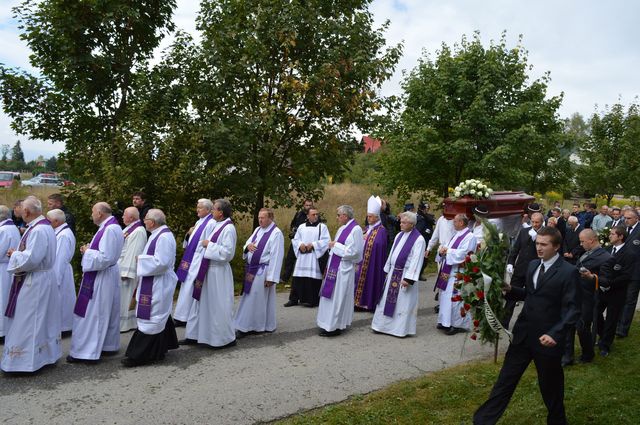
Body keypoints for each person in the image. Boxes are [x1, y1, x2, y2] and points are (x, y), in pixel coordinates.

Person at [473, 227, 580, 425]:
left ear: (556, 247)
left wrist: (555, 333)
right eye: (537, 243)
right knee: (505, 381)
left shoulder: (569, 272)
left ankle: (557, 421)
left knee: (551, 388)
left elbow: (573, 310)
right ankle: (483, 421)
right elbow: (531, 294)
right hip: (522, 336)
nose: (538, 248)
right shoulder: (532, 265)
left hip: (547, 341)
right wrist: (510, 290)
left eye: (543, 244)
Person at [2, 197, 61, 372]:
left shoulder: (38, 230)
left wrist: (14, 255)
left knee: (29, 320)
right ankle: (45, 356)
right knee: (40, 319)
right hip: (40, 278)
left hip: (35, 280)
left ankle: (25, 362)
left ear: (27, 211)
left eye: (21, 209)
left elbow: (32, 259)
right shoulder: (43, 227)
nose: (19, 212)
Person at [121, 209, 179, 367]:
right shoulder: (157, 234)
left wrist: (141, 259)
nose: (143, 221)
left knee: (152, 316)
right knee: (158, 314)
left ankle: (139, 355)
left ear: (152, 222)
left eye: (145, 219)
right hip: (152, 280)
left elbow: (162, 262)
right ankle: (159, 349)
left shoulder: (164, 237)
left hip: (158, 282)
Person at [68, 202, 124, 363]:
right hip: (105, 274)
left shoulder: (110, 229)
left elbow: (105, 258)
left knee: (94, 313)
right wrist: (91, 251)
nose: (91, 215)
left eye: (93, 212)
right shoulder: (110, 227)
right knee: (103, 310)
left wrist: (87, 252)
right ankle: (106, 346)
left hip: (102, 275)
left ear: (100, 213)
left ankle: (87, 352)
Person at [183, 199, 237, 349]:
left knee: (218, 305)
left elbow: (227, 253)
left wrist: (209, 245)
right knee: (201, 304)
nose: (212, 211)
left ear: (221, 212)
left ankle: (223, 338)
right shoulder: (216, 225)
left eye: (214, 209)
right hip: (207, 270)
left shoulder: (228, 229)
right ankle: (198, 336)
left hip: (218, 272)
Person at [371, 211, 425, 337]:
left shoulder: (419, 239)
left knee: (402, 303)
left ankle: (399, 330)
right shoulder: (399, 235)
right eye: (401, 221)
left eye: (404, 222)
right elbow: (392, 253)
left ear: (412, 224)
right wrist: (387, 269)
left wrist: (409, 279)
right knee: (385, 301)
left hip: (405, 275)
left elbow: (417, 260)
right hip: (393, 273)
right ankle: (382, 326)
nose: (400, 224)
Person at [561, 229, 610, 366]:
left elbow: (606, 281)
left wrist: (592, 277)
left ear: (592, 240)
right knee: (569, 324)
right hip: (574, 293)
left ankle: (588, 354)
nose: (581, 244)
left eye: (582, 241)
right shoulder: (586, 252)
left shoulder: (605, 257)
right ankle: (567, 356)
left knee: (582, 327)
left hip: (588, 298)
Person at [234, 208, 284, 337]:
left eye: (263, 217)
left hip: (263, 271)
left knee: (255, 298)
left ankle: (246, 327)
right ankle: (260, 324)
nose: (260, 220)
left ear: (270, 218)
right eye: (259, 217)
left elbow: (277, 256)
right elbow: (247, 244)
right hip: (253, 269)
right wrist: (247, 247)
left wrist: (271, 277)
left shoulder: (276, 233)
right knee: (252, 297)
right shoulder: (258, 230)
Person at [316, 205, 364, 336]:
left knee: (338, 298)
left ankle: (334, 326)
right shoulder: (343, 228)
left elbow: (356, 252)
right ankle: (325, 322)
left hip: (344, 269)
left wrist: (335, 245)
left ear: (345, 216)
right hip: (334, 267)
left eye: (338, 215)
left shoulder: (356, 229)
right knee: (329, 297)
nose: (337, 218)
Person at [173, 199, 215, 326]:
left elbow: (207, 243)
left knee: (191, 286)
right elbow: (190, 241)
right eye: (197, 207)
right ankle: (181, 315)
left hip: (199, 259)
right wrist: (188, 234)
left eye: (200, 208)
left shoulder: (211, 223)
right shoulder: (199, 222)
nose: (197, 210)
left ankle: (186, 317)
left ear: (208, 210)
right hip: (191, 257)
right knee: (186, 285)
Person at [434, 213, 477, 335]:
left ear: (461, 223)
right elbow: (448, 248)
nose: (453, 224)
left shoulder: (470, 237)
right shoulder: (456, 235)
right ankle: (444, 321)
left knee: (455, 298)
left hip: (459, 271)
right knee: (445, 296)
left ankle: (456, 324)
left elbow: (464, 254)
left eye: (455, 222)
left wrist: (448, 251)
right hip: (448, 270)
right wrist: (442, 250)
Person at [593, 226, 633, 356]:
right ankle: (603, 334)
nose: (609, 236)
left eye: (612, 234)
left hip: (617, 291)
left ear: (620, 236)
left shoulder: (629, 253)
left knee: (612, 318)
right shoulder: (607, 249)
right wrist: (601, 282)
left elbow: (627, 275)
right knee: (596, 313)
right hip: (602, 290)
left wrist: (610, 284)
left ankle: (605, 345)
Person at [504, 212, 544, 328]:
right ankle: (504, 321)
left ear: (542, 222)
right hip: (520, 269)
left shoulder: (545, 233)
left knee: (532, 297)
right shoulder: (524, 231)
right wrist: (511, 262)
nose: (535, 224)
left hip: (535, 270)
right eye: (533, 222)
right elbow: (516, 248)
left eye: (537, 222)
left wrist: (536, 237)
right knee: (511, 295)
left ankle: (529, 323)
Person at [285, 207, 330, 307]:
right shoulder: (301, 227)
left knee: (312, 278)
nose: (316, 216)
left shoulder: (322, 227)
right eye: (313, 214)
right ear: (308, 216)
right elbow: (296, 239)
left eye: (317, 214)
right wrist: (300, 244)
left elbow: (326, 241)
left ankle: (311, 300)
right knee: (298, 277)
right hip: (302, 256)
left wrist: (314, 244)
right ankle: (294, 299)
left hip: (313, 257)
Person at [354, 196, 388, 311]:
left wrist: (366, 239)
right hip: (362, 261)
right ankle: (357, 302)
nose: (368, 218)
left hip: (372, 263)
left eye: (370, 216)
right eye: (367, 216)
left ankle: (367, 302)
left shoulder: (381, 230)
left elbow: (378, 245)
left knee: (370, 280)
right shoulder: (367, 228)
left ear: (377, 217)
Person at [46, 208, 77, 334]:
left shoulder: (64, 235)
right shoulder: (60, 232)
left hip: (60, 272)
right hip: (60, 271)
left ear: (56, 221)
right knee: (62, 300)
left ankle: (63, 327)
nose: (47, 223)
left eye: (49, 221)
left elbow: (60, 259)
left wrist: (55, 280)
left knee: (62, 300)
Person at [118, 207, 147, 332]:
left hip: (127, 270)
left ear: (131, 217)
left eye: (124, 215)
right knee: (121, 297)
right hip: (121, 265)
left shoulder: (138, 231)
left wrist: (126, 272)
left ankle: (126, 324)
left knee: (126, 297)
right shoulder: (129, 228)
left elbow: (134, 251)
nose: (122, 217)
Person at [616, 208, 640, 338]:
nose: (626, 220)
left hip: (635, 272)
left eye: (629, 218)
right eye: (624, 218)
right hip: (621, 271)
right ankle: (617, 323)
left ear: (637, 218)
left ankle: (623, 329)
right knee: (619, 299)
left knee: (630, 301)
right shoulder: (622, 228)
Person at [0, 205, 21, 339]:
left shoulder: (3, 230)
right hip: (9, 268)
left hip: (2, 268)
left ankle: (2, 331)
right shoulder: (13, 228)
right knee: (6, 298)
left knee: (2, 300)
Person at [281, 199, 314, 283]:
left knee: (306, 260)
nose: (308, 207)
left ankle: (304, 278)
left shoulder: (314, 215)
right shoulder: (299, 214)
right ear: (304, 205)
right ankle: (285, 278)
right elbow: (293, 224)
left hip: (308, 242)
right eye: (307, 205)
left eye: (310, 205)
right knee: (290, 258)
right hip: (297, 241)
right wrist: (293, 230)